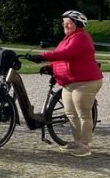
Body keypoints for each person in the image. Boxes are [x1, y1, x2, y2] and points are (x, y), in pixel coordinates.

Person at [29, 10, 103, 157]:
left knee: (83, 114)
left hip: (85, 82)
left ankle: (86, 146)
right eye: (64, 23)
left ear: (78, 24)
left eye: (69, 23)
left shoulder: (81, 37)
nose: (66, 26)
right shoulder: (67, 39)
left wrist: (42, 56)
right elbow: (61, 58)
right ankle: (77, 142)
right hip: (70, 82)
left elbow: (65, 54)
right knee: (70, 113)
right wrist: (49, 67)